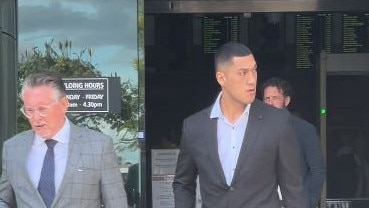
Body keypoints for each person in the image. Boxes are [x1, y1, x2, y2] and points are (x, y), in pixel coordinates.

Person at [173, 42, 308, 208]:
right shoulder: (194, 127)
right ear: (221, 78)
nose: (252, 80)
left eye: (254, 70)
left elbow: (293, 189)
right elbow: (183, 184)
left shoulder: (277, 122)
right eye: (243, 73)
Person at [0, 71, 127, 208]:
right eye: (29, 111)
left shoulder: (99, 146)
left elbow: (116, 203)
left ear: (63, 104)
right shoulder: (12, 148)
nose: (36, 118)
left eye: (42, 109)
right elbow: (4, 199)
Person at [261, 77, 326, 208]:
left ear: (287, 100)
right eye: (267, 99)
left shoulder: (304, 129)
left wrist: (310, 202)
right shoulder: (256, 130)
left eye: (275, 98)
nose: (270, 103)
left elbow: (317, 169)